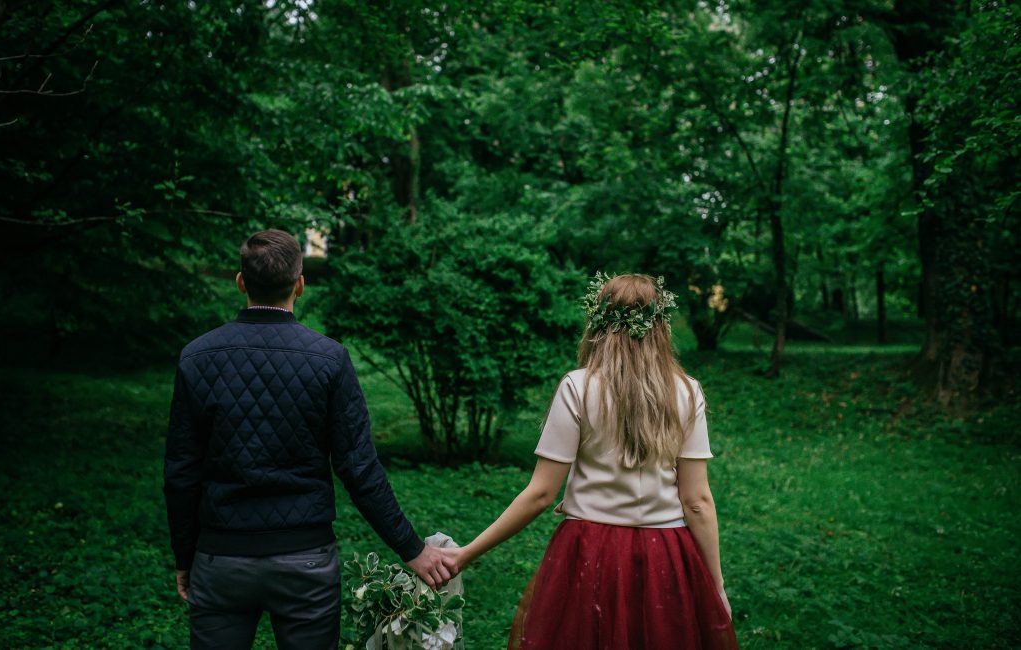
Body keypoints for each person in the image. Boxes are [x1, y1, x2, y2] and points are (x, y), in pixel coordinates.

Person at [163, 229, 457, 649]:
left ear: (241, 282)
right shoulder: (329, 360)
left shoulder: (197, 357)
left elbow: (180, 471)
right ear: (300, 284)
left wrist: (184, 555)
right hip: (306, 562)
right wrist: (412, 549)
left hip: (220, 558)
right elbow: (359, 468)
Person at [444, 273, 738, 649]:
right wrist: (715, 586)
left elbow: (540, 494)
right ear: (661, 326)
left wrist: (466, 553)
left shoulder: (578, 387)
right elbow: (696, 501)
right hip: (664, 555)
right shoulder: (686, 390)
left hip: (589, 552)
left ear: (598, 323)